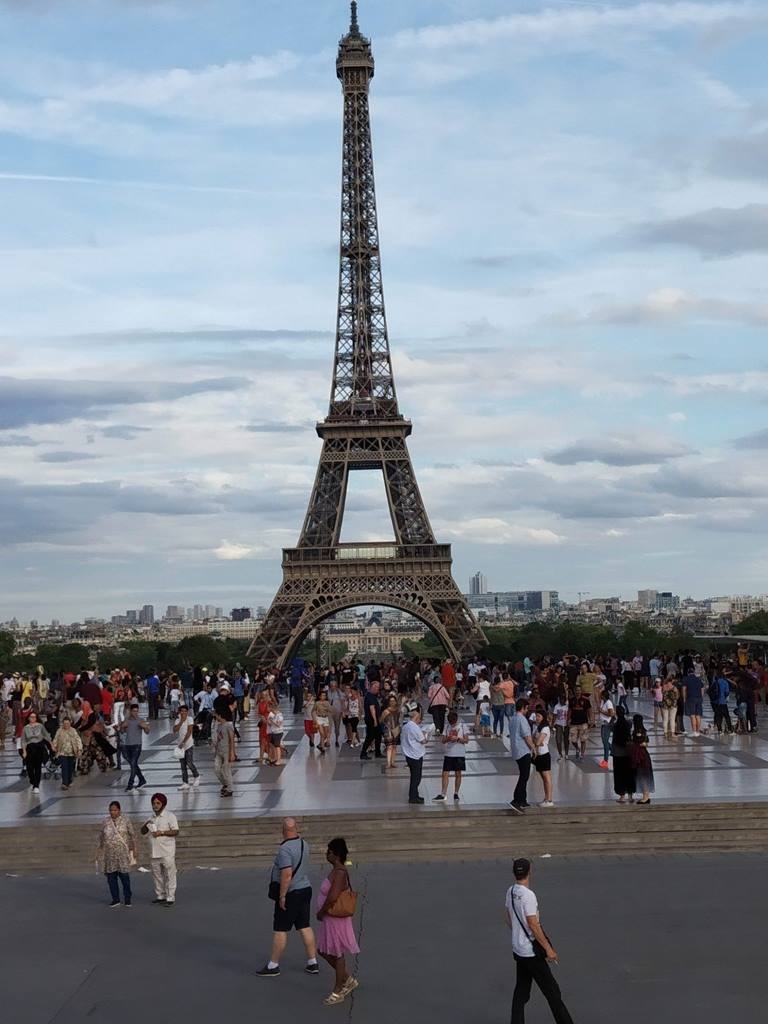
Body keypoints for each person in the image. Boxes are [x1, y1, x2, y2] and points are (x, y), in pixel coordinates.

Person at [505, 857, 574, 1024]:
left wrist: (518, 935)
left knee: (521, 993)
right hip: (531, 953)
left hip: (518, 950)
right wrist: (548, 949)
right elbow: (533, 925)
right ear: (530, 872)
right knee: (553, 993)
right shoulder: (529, 896)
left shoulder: (511, 891)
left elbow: (508, 917)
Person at [257, 817, 319, 978]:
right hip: (305, 888)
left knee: (280, 929)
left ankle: (273, 965)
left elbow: (286, 873)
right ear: (296, 828)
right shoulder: (304, 844)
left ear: (283, 830)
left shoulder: (285, 849)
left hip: (292, 893)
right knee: (304, 925)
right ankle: (313, 962)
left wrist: (282, 895)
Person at [315, 836, 360, 1005]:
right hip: (330, 919)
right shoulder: (336, 870)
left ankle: (338, 990)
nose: (327, 855)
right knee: (323, 950)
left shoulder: (339, 872)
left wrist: (322, 911)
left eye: (329, 852)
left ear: (336, 854)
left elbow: (333, 897)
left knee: (336, 953)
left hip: (334, 918)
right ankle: (347, 979)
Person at [140, 793, 179, 906]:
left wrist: (161, 832)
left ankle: (170, 897)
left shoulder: (170, 816)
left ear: (163, 804)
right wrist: (146, 824)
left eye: (158, 803)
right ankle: (160, 895)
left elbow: (176, 831)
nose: (155, 805)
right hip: (154, 851)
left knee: (169, 874)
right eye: (153, 803)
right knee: (157, 875)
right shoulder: (151, 817)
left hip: (167, 851)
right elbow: (142, 831)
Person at [97, 800, 137, 907]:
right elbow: (101, 837)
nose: (112, 812)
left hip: (122, 854)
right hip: (109, 855)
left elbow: (132, 835)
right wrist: (99, 850)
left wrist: (134, 849)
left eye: (115, 810)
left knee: (124, 877)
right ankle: (115, 899)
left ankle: (127, 898)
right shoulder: (105, 822)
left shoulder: (125, 820)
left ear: (119, 810)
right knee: (111, 877)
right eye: (111, 810)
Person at [434, 709, 469, 802]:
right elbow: (443, 740)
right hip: (449, 753)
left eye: (453, 722)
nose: (452, 724)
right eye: (450, 722)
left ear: (456, 720)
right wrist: (448, 739)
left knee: (458, 773)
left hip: (459, 753)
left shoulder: (462, 726)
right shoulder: (447, 727)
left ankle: (456, 793)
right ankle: (443, 793)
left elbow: (466, 740)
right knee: (445, 773)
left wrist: (457, 739)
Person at [509, 698, 535, 814]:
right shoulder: (522, 719)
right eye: (526, 708)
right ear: (523, 707)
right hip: (523, 751)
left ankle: (523, 800)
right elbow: (526, 736)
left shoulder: (513, 719)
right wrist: (533, 747)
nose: (527, 710)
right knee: (524, 776)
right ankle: (516, 799)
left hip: (516, 750)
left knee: (523, 774)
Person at [401, 703, 427, 804]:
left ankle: (415, 795)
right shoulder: (414, 727)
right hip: (416, 755)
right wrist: (426, 735)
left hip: (409, 755)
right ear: (416, 713)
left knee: (414, 776)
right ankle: (413, 797)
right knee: (416, 778)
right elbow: (423, 741)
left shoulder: (407, 725)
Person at [20, 710, 52, 794]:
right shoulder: (25, 728)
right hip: (30, 748)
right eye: (31, 717)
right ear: (29, 718)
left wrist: (51, 745)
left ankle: (36, 785)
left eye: (34, 717)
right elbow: (23, 740)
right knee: (30, 767)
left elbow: (46, 735)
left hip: (39, 747)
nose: (33, 718)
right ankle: (32, 781)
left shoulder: (40, 726)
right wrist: (24, 751)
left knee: (38, 767)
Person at [120, 703, 149, 791]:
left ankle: (130, 784)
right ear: (130, 711)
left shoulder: (141, 720)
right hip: (127, 745)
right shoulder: (127, 720)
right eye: (134, 711)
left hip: (137, 745)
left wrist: (145, 727)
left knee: (133, 764)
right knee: (133, 764)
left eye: (137, 711)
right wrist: (122, 727)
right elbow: (122, 731)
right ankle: (142, 779)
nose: (135, 713)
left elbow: (147, 732)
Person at [173, 705, 200, 791]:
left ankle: (196, 775)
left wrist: (184, 742)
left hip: (188, 744)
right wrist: (181, 721)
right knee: (182, 765)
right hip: (180, 746)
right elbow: (175, 730)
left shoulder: (190, 719)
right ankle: (185, 782)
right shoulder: (177, 720)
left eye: (185, 711)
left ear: (187, 712)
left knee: (189, 762)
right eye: (182, 711)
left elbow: (189, 731)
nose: (183, 713)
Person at [612, 706, 635, 804]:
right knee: (629, 773)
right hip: (628, 752)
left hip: (618, 753)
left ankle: (622, 796)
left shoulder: (615, 725)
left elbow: (610, 727)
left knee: (619, 774)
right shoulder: (628, 723)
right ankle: (630, 794)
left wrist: (613, 718)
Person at [52, 716, 83, 790]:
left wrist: (79, 749)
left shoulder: (73, 731)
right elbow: (55, 739)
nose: (66, 725)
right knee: (64, 768)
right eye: (64, 723)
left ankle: (69, 780)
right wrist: (54, 746)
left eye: (67, 723)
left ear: (70, 723)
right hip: (62, 753)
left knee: (70, 768)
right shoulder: (59, 731)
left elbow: (78, 740)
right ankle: (64, 783)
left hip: (72, 753)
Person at [532, 709, 554, 807]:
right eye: (536, 716)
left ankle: (549, 799)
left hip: (544, 754)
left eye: (539, 716)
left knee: (547, 778)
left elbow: (537, 742)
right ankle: (546, 798)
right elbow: (535, 740)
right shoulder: (537, 728)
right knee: (543, 778)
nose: (537, 718)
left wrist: (536, 740)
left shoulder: (545, 728)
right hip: (538, 755)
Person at [631, 714, 654, 805]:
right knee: (645, 775)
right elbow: (646, 743)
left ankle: (645, 796)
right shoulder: (644, 730)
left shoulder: (637, 731)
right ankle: (646, 796)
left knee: (642, 775)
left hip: (640, 756)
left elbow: (642, 743)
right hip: (644, 754)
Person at [212, 707, 235, 797]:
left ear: (220, 715)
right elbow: (218, 739)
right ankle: (225, 783)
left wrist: (232, 752)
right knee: (217, 769)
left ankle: (229, 789)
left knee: (226, 770)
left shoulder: (228, 726)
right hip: (219, 751)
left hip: (226, 751)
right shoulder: (218, 726)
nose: (215, 717)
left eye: (216, 715)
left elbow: (232, 739)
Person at [380, 694, 401, 769]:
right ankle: (389, 763)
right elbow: (381, 720)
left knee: (394, 746)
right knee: (389, 747)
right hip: (388, 730)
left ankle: (393, 762)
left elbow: (399, 719)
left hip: (396, 729)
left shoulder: (398, 710)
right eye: (391, 701)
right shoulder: (386, 711)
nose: (392, 702)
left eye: (394, 701)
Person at [681, 668, 704, 737]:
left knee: (692, 715)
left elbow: (684, 689)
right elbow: (702, 689)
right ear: (693, 672)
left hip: (690, 698)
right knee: (698, 715)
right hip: (699, 698)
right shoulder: (698, 679)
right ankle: (698, 731)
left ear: (688, 673)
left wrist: (684, 698)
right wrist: (701, 697)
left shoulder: (686, 679)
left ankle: (694, 731)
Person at [598, 688, 615, 770]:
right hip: (603, 723)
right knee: (604, 741)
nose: (600, 696)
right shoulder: (602, 702)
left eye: (601, 695)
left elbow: (611, 714)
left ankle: (605, 760)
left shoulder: (608, 703)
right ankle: (614, 750)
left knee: (605, 742)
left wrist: (602, 711)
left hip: (607, 724)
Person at [313, 690, 332, 755]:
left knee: (326, 735)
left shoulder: (327, 702)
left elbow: (330, 710)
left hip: (325, 718)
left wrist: (327, 708)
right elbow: (313, 711)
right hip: (319, 718)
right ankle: (323, 748)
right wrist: (315, 720)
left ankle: (320, 745)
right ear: (319, 696)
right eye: (322, 695)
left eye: (325, 695)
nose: (323, 697)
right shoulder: (317, 703)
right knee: (322, 734)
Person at [267, 700, 285, 766]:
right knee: (272, 744)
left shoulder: (279, 715)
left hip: (278, 732)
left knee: (277, 746)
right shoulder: (273, 715)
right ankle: (275, 757)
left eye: (269, 708)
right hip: (273, 732)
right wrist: (269, 721)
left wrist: (272, 721)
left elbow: (278, 724)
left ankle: (279, 760)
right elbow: (270, 724)